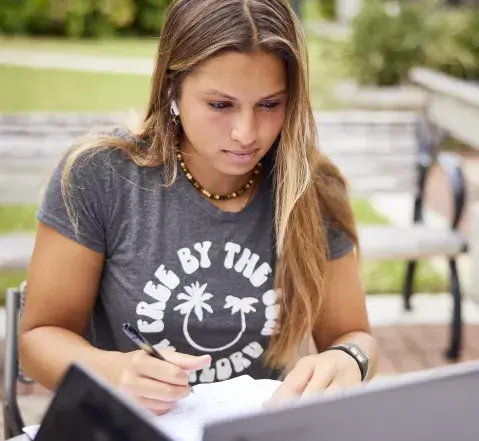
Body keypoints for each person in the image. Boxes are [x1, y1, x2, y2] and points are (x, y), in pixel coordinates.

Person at [19, 0, 378, 416]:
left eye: (269, 104)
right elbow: (38, 340)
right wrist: (112, 371)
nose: (246, 134)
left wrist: (348, 360)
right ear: (172, 88)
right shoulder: (100, 176)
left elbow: (354, 336)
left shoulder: (309, 188)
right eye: (220, 105)